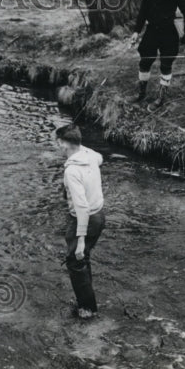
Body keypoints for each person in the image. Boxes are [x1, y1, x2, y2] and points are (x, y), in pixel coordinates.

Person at [129, 0, 185, 109]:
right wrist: (136, 31)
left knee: (166, 64)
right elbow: (143, 11)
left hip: (169, 32)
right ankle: (141, 93)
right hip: (152, 30)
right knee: (144, 61)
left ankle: (160, 98)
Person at [56, 125, 106, 319]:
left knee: (75, 261)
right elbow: (100, 158)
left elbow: (81, 207)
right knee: (82, 259)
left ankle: (88, 310)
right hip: (100, 216)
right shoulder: (90, 155)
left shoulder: (72, 171)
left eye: (58, 142)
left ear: (62, 143)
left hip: (85, 218)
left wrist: (81, 238)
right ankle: (87, 300)